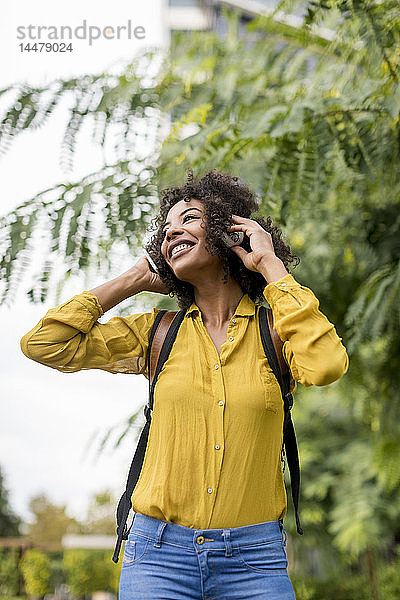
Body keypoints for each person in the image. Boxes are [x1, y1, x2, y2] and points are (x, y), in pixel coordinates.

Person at [20, 169, 349, 599]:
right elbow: (44, 344)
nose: (172, 230)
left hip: (255, 561)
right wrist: (136, 277)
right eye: (167, 227)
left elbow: (325, 365)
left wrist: (270, 265)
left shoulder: (277, 331)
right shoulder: (155, 333)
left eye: (189, 218)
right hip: (157, 559)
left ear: (230, 232)